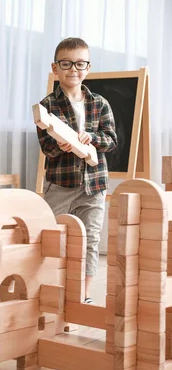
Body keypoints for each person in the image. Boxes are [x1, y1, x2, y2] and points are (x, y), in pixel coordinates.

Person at [37, 37, 117, 304]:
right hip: (60, 184)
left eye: (80, 63)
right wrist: (61, 145)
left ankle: (82, 294)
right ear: (55, 67)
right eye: (66, 63)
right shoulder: (47, 105)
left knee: (91, 239)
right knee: (50, 236)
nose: (73, 69)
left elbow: (111, 140)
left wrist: (92, 138)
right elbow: (47, 147)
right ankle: (50, 287)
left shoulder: (100, 104)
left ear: (88, 67)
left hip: (94, 185)